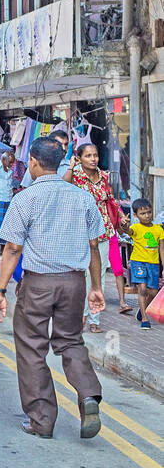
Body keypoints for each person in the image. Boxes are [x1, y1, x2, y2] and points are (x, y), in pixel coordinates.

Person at [0, 135, 105, 440]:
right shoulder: (83, 198)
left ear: (32, 161)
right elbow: (94, 245)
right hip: (74, 282)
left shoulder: (24, 198)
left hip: (38, 282)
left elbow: (13, 248)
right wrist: (96, 287)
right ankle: (89, 396)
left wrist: (0, 291)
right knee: (70, 341)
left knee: (31, 347)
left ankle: (42, 420)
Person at [63, 142, 126, 331]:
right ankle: (81, 315)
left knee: (98, 275)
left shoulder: (104, 176)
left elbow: (111, 200)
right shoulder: (74, 176)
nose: (93, 159)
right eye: (88, 156)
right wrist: (71, 166)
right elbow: (63, 187)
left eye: (95, 155)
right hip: (80, 232)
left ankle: (94, 319)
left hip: (103, 231)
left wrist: (121, 217)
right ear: (79, 158)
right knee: (81, 274)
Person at [127, 199, 162, 329]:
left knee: (153, 291)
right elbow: (128, 232)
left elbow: (161, 249)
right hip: (138, 261)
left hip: (153, 264)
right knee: (142, 288)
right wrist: (124, 226)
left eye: (149, 212)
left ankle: (142, 310)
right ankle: (145, 319)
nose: (147, 215)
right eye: (143, 213)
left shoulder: (159, 229)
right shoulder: (135, 228)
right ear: (136, 215)